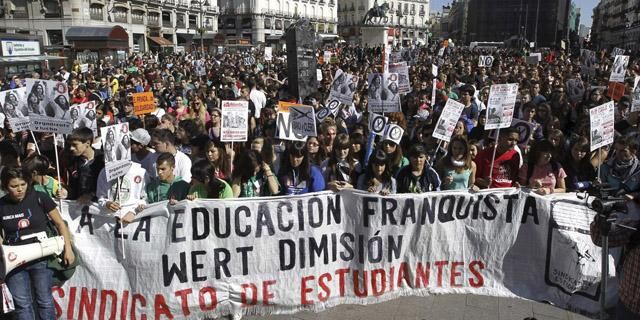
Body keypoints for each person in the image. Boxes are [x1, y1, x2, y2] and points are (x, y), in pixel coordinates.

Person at [0, 167, 74, 320]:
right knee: (22, 304)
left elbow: (60, 224)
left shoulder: (39, 197)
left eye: (22, 184)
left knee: (44, 300)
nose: (19, 189)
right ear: (5, 186)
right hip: (14, 261)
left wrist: (68, 249)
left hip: (41, 258)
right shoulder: (1, 205)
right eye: (14, 186)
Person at [65, 127, 105, 202]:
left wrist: (92, 195)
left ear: (87, 143)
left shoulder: (102, 161)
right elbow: (73, 188)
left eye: (74, 145)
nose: (71, 148)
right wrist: (66, 192)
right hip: (78, 207)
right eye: (70, 145)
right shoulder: (73, 162)